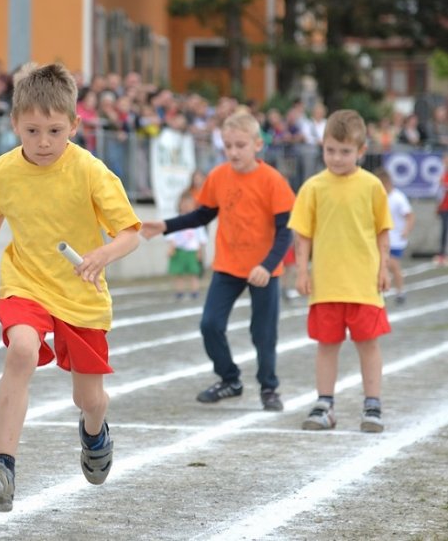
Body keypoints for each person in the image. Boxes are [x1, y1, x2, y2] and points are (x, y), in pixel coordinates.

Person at [0, 63, 140, 513]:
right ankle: (4, 467)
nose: (42, 142)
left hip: (80, 291)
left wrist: (102, 255)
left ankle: (95, 431)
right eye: (32, 130)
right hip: (27, 280)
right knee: (21, 348)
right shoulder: (1, 171)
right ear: (14, 123)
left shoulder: (91, 172)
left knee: (87, 398)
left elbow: (130, 233)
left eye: (54, 131)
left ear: (74, 126)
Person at [141, 111, 295, 412]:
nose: (234, 151)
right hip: (228, 265)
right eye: (228, 145)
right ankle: (230, 379)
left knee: (263, 333)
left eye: (240, 145)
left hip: (263, 270)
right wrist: (166, 226)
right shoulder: (218, 176)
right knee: (210, 324)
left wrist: (267, 266)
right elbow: (202, 215)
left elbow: (284, 232)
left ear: (257, 145)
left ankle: (269, 387)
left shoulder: (273, 181)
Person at [289, 109, 393, 433]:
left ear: (361, 151)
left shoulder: (373, 186)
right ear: (322, 147)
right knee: (326, 344)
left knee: (369, 344)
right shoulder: (313, 187)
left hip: (363, 282)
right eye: (330, 150)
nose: (336, 157)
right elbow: (302, 233)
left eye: (345, 151)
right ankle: (325, 403)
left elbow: (382, 231)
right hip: (327, 283)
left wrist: (383, 267)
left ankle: (372, 404)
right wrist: (302, 272)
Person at [378, 168, 415, 305]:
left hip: (396, 239)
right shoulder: (380, 197)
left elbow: (410, 216)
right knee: (381, 265)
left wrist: (406, 230)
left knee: (392, 265)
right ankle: (382, 292)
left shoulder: (398, 198)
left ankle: (400, 292)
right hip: (383, 238)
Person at [164, 192, 207, 301]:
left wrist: (200, 252)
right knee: (178, 273)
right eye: (184, 203)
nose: (186, 205)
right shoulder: (175, 219)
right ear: (179, 204)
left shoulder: (197, 220)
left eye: (189, 203)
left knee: (194, 273)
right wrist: (171, 248)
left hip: (192, 250)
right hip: (178, 250)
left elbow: (201, 239)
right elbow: (171, 236)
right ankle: (179, 292)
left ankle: (195, 292)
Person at [435, 153, 448, 266]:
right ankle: (442, 254)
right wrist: (438, 206)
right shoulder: (442, 175)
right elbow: (439, 192)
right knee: (444, 231)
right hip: (444, 207)